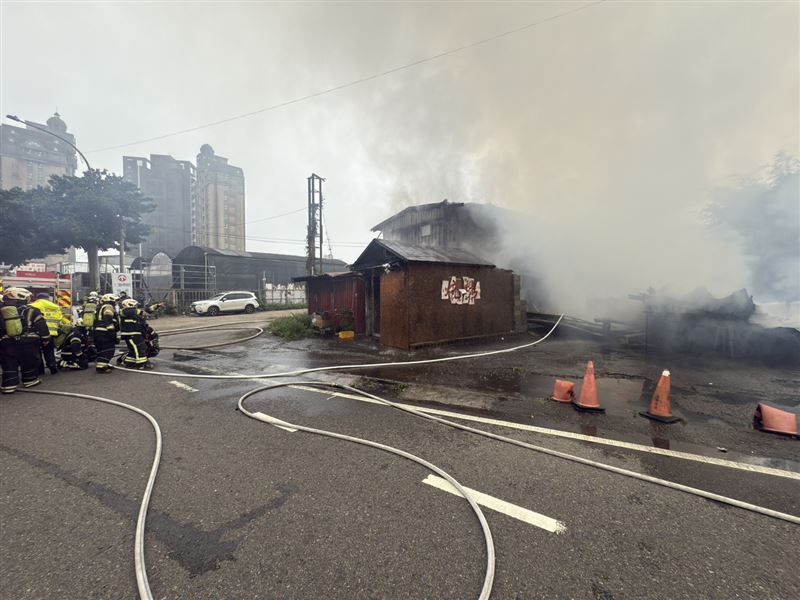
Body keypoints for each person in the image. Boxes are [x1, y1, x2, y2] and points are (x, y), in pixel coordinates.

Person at [0, 287, 50, 393]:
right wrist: (46, 338)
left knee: (9, 363)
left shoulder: (2, 311)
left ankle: (9, 385)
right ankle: (29, 380)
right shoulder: (31, 310)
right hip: (28, 342)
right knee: (29, 362)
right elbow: (41, 325)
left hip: (7, 342)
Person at [30, 292, 71, 375]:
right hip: (51, 333)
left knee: (37, 352)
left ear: (37, 298)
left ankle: (40, 370)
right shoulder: (55, 307)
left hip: (38, 333)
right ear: (47, 298)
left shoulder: (33, 306)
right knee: (49, 351)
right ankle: (53, 368)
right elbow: (60, 319)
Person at [118, 298, 153, 369]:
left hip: (134, 334)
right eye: (135, 305)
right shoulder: (124, 311)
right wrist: (141, 312)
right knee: (140, 348)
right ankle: (141, 364)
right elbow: (132, 311)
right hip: (132, 334)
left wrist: (157, 306)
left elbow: (146, 311)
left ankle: (129, 362)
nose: (136, 307)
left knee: (133, 350)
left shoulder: (133, 313)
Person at [93, 293, 119, 373]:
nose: (116, 303)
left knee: (102, 349)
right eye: (115, 301)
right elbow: (108, 318)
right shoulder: (108, 306)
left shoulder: (101, 307)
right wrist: (112, 332)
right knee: (108, 349)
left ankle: (104, 364)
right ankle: (101, 367)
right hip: (105, 332)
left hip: (98, 332)